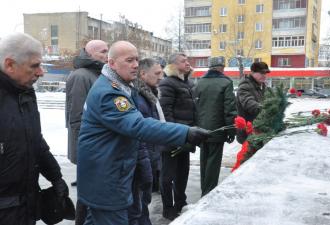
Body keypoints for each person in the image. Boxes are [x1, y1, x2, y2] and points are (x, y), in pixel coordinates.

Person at [76, 41, 210, 225]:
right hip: (106, 177)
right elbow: (138, 125)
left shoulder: (120, 86)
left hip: (112, 174)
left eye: (137, 59)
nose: (136, 65)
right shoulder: (109, 93)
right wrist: (185, 132)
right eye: (129, 60)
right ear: (112, 63)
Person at [0, 33, 69, 225]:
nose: (41, 72)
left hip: (26, 209)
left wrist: (56, 177)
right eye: (34, 65)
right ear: (9, 65)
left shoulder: (26, 93)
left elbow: (35, 141)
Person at [65, 39, 108, 225]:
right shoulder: (81, 75)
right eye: (102, 51)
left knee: (94, 192)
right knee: (87, 194)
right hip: (89, 147)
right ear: (90, 53)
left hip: (99, 145)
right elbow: (76, 117)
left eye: (108, 50)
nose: (107, 55)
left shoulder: (99, 74)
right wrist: (86, 148)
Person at [158, 52, 195, 220]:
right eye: (183, 61)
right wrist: (175, 135)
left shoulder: (186, 82)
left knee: (183, 172)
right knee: (168, 176)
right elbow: (165, 112)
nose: (187, 63)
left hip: (185, 136)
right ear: (173, 65)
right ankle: (168, 207)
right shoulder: (167, 83)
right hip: (172, 137)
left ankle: (181, 202)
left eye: (187, 60)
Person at [128, 58, 164, 225]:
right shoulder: (139, 98)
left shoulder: (149, 95)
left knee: (143, 204)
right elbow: (144, 132)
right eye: (157, 73)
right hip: (144, 159)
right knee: (140, 206)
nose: (161, 77)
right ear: (143, 74)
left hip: (151, 156)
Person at [194, 56, 237, 196]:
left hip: (200, 129)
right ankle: (208, 194)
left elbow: (195, 106)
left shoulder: (199, 82)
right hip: (217, 130)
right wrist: (231, 130)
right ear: (222, 67)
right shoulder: (226, 83)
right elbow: (229, 109)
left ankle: (204, 190)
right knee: (213, 163)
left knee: (204, 161)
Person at [236, 61, 270, 144]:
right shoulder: (245, 86)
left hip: (259, 128)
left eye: (265, 73)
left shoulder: (262, 86)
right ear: (253, 72)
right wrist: (267, 109)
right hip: (248, 130)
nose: (264, 75)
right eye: (261, 73)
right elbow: (249, 103)